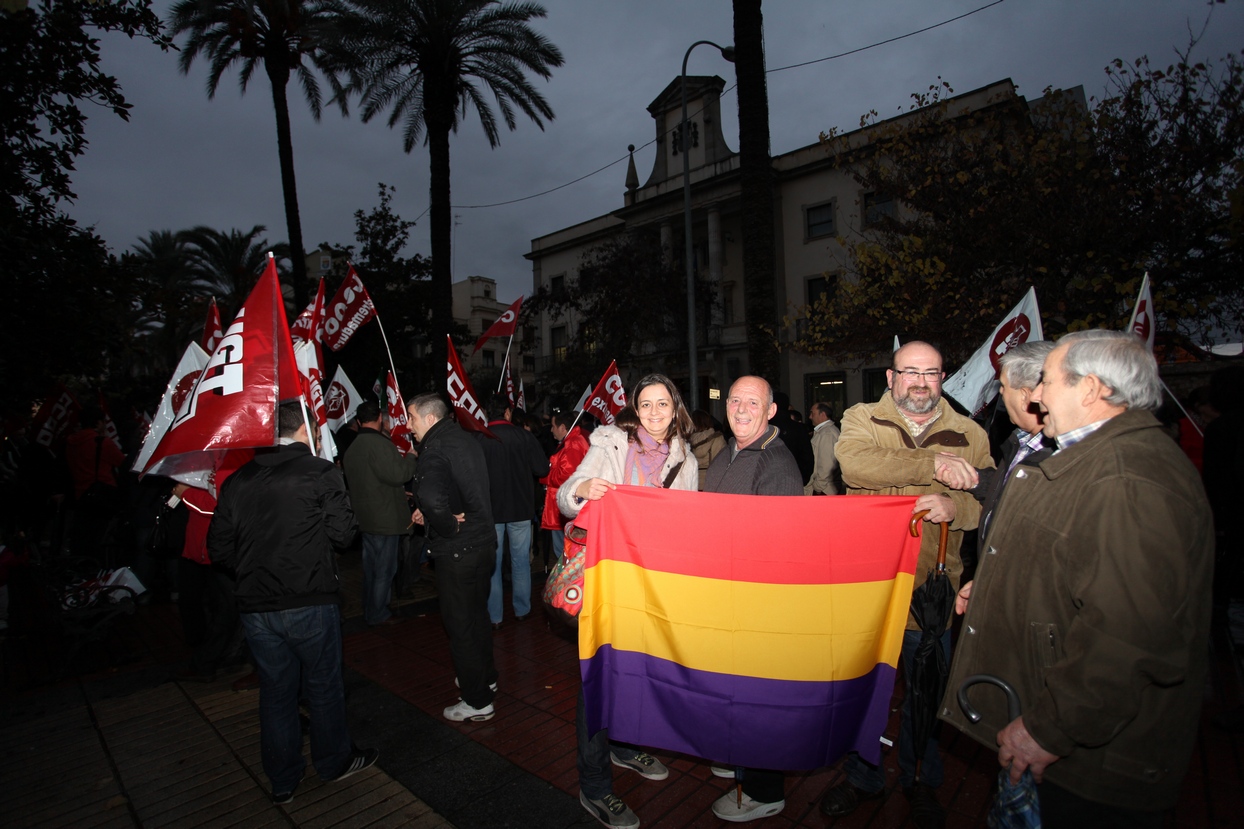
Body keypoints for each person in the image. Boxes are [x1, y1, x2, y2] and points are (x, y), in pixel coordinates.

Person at [941, 330, 1213, 828]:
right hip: (1068, 748)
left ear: (1089, 389)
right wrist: (1002, 582)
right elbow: (1078, 562)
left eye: (1045, 381)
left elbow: (1130, 637)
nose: (1036, 396)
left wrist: (1048, 730)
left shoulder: (1130, 478)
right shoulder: (1088, 458)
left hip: (1092, 764)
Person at [821, 341, 992, 829]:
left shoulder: (970, 432)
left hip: (934, 591)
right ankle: (862, 776)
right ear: (891, 377)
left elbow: (993, 500)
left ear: (943, 377)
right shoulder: (860, 419)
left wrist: (955, 508)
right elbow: (854, 466)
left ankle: (920, 780)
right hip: (867, 587)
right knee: (861, 689)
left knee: (926, 696)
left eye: (931, 373)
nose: (920, 382)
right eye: (910, 372)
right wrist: (933, 467)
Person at [208, 401, 376, 805]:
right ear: (306, 428)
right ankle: (333, 762)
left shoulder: (240, 479)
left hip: (257, 607)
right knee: (322, 685)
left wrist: (253, 569)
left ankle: (283, 780)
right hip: (309, 600)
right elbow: (343, 535)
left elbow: (218, 548)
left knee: (276, 691)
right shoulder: (320, 472)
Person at [558, 373, 698, 829]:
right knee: (599, 677)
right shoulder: (610, 444)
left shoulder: (686, 459)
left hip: (651, 586)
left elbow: (687, 525)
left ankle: (621, 745)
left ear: (675, 408)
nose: (654, 413)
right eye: (646, 405)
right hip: (606, 580)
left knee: (637, 672)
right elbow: (564, 496)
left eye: (663, 404)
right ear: (634, 409)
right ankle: (595, 786)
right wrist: (582, 491)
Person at [703, 376, 804, 823]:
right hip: (724, 595)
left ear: (771, 411)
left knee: (755, 697)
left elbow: (777, 555)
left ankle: (764, 790)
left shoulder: (777, 466)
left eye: (753, 402)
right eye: (735, 400)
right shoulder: (731, 450)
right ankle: (736, 756)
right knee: (731, 693)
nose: (741, 409)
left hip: (753, 604)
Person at [406, 393, 499, 722]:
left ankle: (476, 701)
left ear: (429, 419)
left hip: (460, 549)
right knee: (476, 617)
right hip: (484, 543)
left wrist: (443, 523)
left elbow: (431, 494)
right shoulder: (465, 439)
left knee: (460, 625)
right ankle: (484, 678)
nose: (408, 425)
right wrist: (432, 513)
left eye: (412, 418)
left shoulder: (434, 447)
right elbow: (455, 487)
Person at [934, 340, 1055, 586]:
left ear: (1025, 396)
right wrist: (975, 479)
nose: (1000, 395)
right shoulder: (1020, 443)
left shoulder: (1060, 453)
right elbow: (1012, 493)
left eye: (1003, 389)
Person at [342, 400, 418, 627]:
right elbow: (399, 474)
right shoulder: (380, 444)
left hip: (365, 518)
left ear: (358, 421)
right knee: (385, 569)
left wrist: (396, 492)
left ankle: (369, 609)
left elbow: (371, 480)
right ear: (378, 419)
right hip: (385, 519)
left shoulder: (353, 447)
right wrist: (412, 456)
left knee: (371, 569)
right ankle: (378, 613)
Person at [478, 394, 549, 629]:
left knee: (493, 565)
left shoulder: (479, 438)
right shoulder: (524, 436)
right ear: (508, 413)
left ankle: (494, 616)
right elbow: (540, 468)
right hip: (520, 508)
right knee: (520, 562)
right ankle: (522, 610)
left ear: (488, 413)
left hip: (491, 511)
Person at [539, 411, 590, 563]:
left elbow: (565, 477)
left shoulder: (572, 444)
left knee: (563, 553)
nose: (551, 429)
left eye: (553, 426)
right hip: (564, 506)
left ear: (562, 427)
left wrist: (544, 476)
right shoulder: (572, 441)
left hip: (564, 507)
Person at [768, 390, 814, 486]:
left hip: (769, 481)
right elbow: (807, 457)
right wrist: (803, 479)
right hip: (795, 480)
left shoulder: (765, 428)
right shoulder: (799, 428)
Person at [804, 401, 841, 496]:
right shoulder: (824, 432)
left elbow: (827, 464)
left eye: (813, 413)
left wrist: (818, 487)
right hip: (824, 488)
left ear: (823, 414)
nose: (810, 417)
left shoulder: (827, 434)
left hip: (824, 490)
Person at [688, 409, 726, 490]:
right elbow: (721, 465)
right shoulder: (717, 439)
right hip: (711, 484)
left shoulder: (686, 441)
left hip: (692, 484)